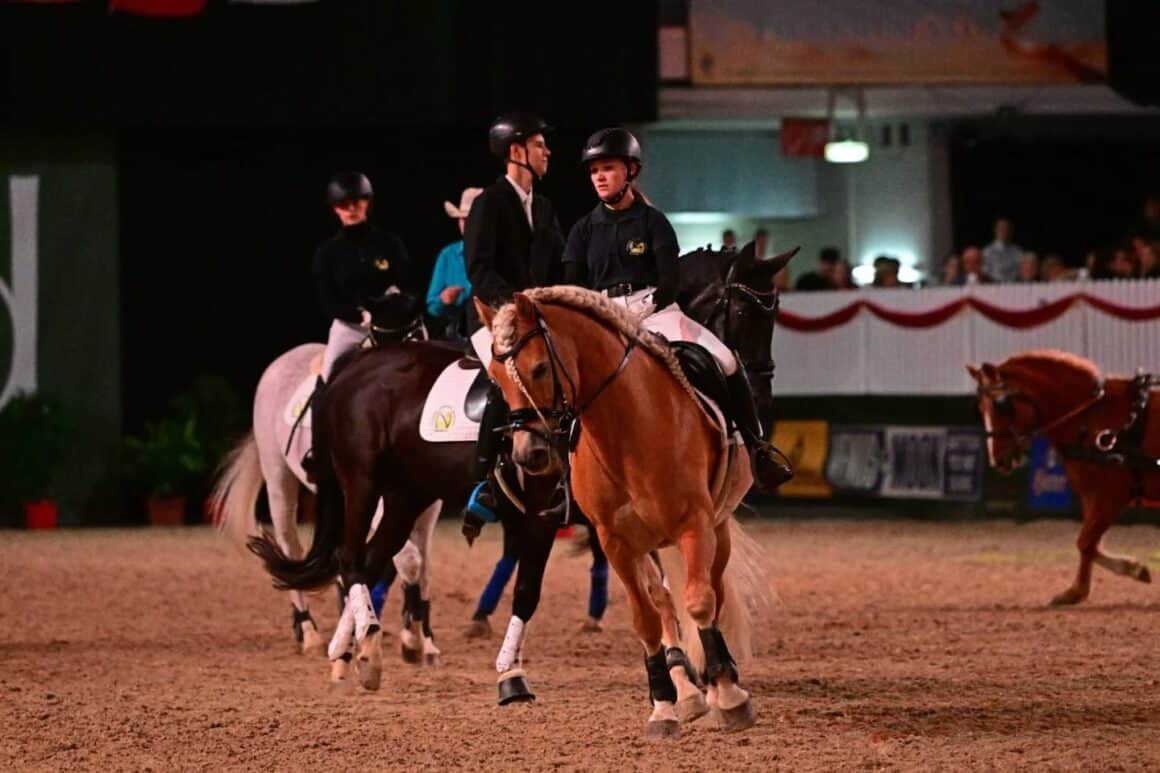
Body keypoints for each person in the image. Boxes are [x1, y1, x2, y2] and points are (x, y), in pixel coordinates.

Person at [562, 127, 792, 492]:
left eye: (608, 168)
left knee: (726, 360)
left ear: (631, 171)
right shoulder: (582, 229)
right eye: (594, 171)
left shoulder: (654, 222)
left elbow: (669, 280)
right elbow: (574, 284)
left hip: (655, 309)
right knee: (566, 381)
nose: (600, 177)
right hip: (602, 315)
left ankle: (758, 451)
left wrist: (642, 310)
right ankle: (565, 479)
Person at [462, 112, 566, 530]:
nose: (548, 152)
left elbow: (560, 266)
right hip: (492, 316)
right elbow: (479, 270)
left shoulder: (542, 208)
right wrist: (516, 307)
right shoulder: (489, 203)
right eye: (540, 145)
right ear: (517, 151)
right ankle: (483, 481)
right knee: (503, 375)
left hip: (533, 320)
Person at [304, 171, 413, 477]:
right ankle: (319, 451)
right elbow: (327, 301)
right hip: (351, 327)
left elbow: (406, 284)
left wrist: (396, 303)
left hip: (393, 325)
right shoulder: (327, 253)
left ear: (368, 203)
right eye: (344, 204)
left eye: (357, 201)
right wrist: (360, 315)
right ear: (335, 209)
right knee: (325, 382)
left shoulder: (389, 244)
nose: (351, 208)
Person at [427, 187, 483, 343]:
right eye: (463, 219)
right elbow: (432, 305)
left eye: (473, 219)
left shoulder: (500, 255)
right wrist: (444, 300)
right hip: (455, 336)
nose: (467, 224)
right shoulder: (448, 255)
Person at [982, 217, 1022, 282]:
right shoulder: (987, 252)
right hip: (992, 285)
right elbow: (985, 270)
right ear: (995, 230)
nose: (1003, 231)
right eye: (1001, 228)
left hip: (1013, 286)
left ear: (1010, 231)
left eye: (1006, 229)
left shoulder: (1017, 252)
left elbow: (1020, 271)